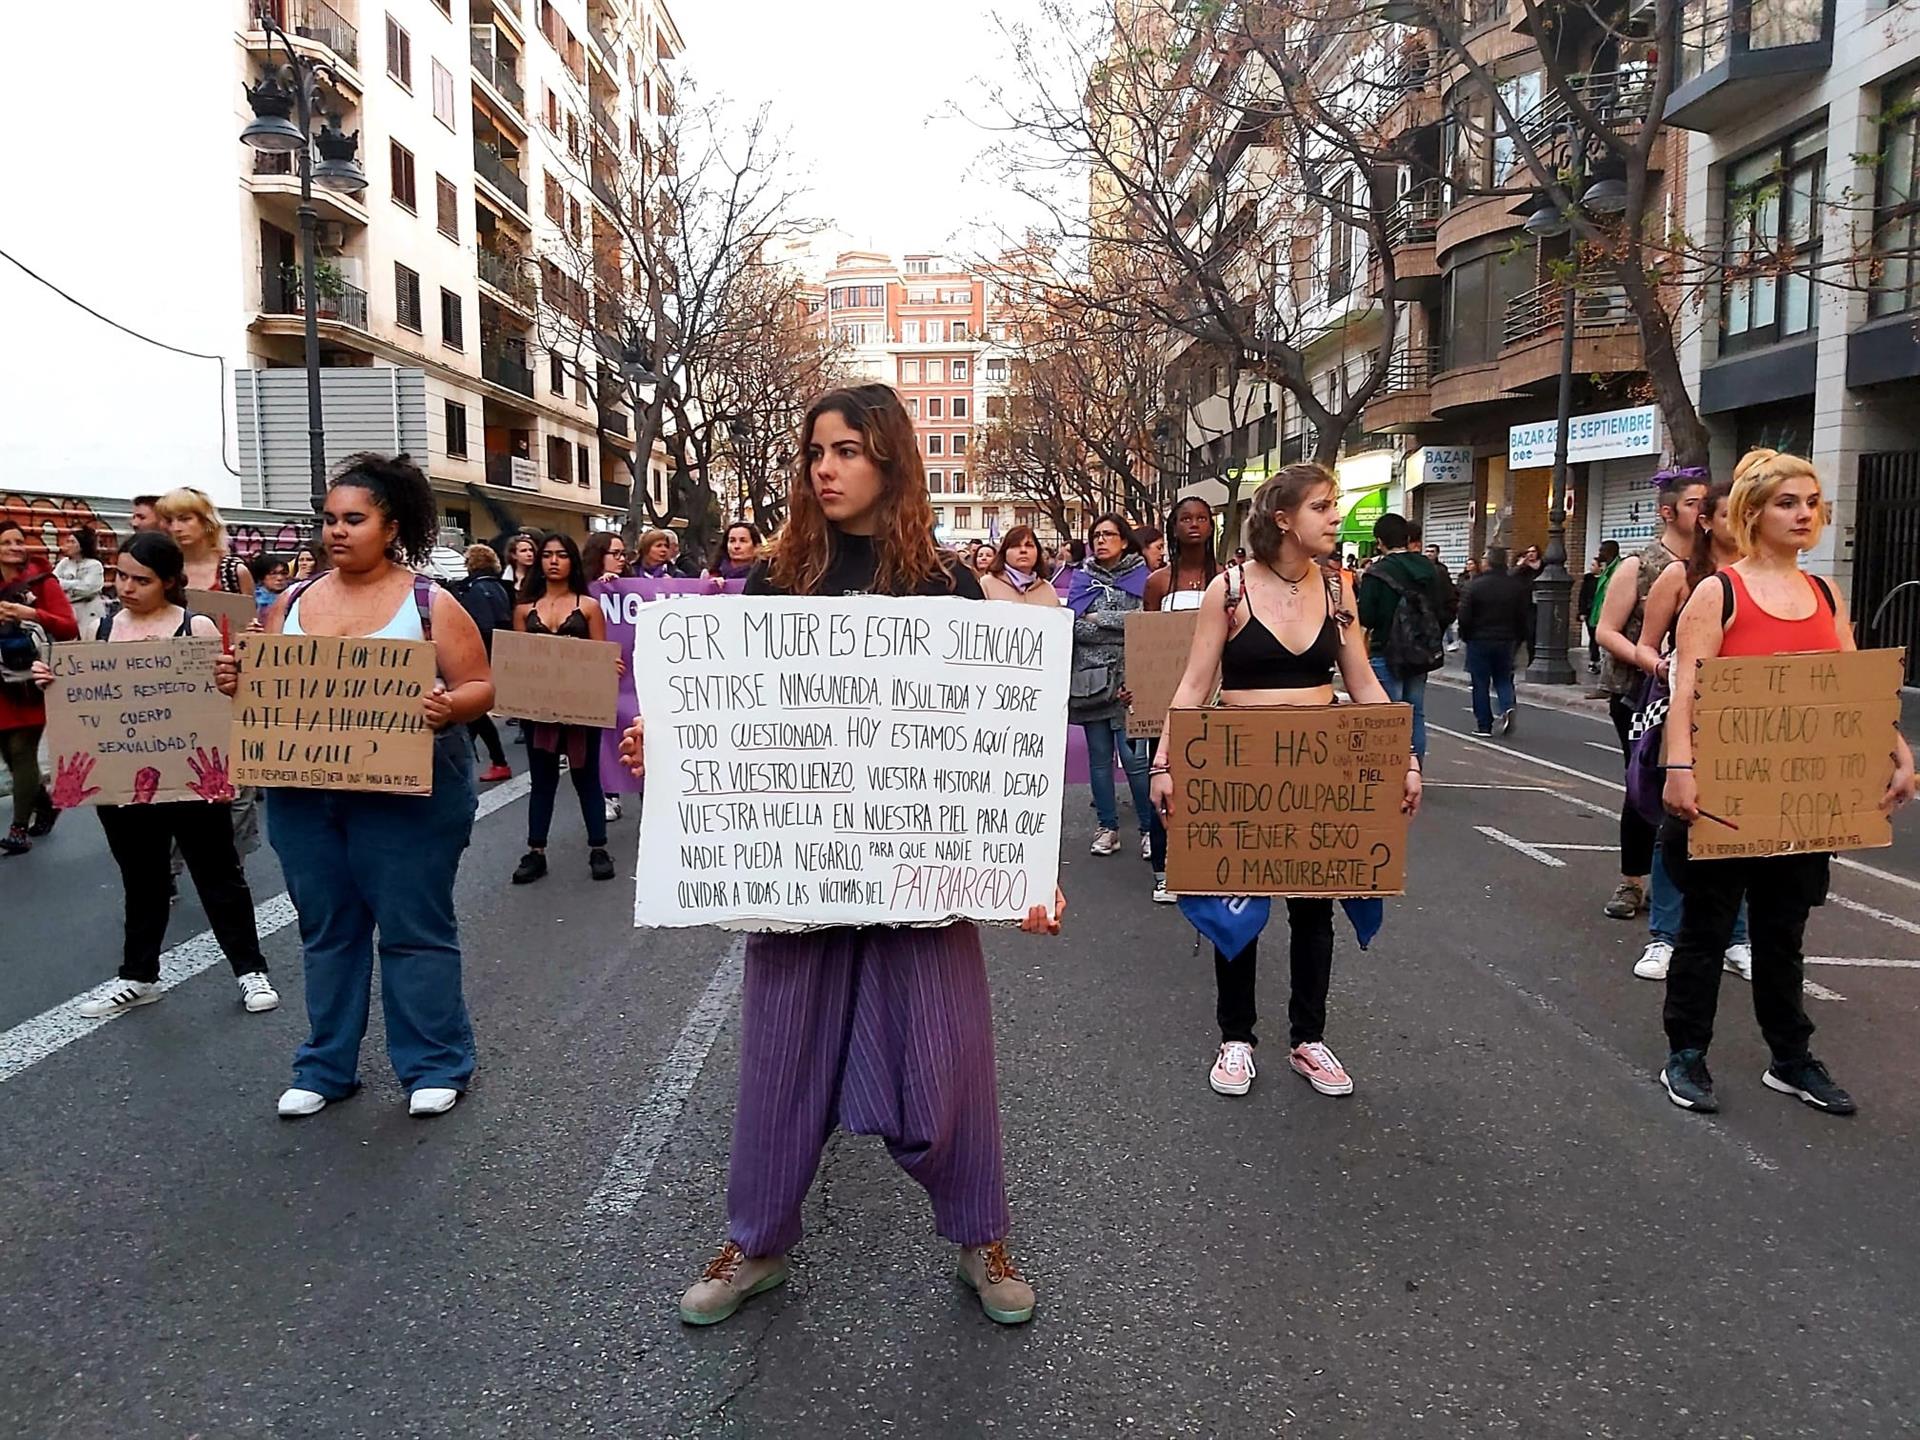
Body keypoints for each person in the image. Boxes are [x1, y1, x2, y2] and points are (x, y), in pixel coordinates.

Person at [622, 382, 1062, 1329]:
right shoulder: (772, 583)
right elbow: (736, 726)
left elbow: (994, 744)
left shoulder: (948, 585)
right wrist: (673, 748)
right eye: (816, 451)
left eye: (849, 450)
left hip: (919, 883)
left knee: (948, 1064)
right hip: (796, 881)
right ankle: (758, 1240)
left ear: (891, 461)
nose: (825, 467)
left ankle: (980, 1233)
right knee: (780, 1063)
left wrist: (1027, 871)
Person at [217, 453, 494, 1120]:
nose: (336, 531)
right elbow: (267, 689)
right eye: (329, 520)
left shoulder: (431, 602)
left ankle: (434, 1063)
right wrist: (237, 683)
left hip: (410, 798)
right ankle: (325, 1066)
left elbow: (480, 687)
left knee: (413, 927)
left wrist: (447, 708)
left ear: (390, 526)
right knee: (328, 930)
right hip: (305, 798)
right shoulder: (290, 601)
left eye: (353, 519)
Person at [1150, 463, 1421, 1100]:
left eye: (1335, 506)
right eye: (1323, 507)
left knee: (1313, 908)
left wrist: (1404, 757)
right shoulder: (1230, 590)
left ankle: (1309, 1037)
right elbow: (1194, 684)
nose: (1335, 517)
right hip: (1241, 771)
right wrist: (1166, 763)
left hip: (1321, 770)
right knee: (1236, 904)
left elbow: (1364, 684)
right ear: (1283, 521)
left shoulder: (1338, 591)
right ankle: (1235, 1038)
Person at [1659, 449, 1915, 1116]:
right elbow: (1686, 690)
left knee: (1784, 931)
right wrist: (1679, 769)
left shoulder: (1826, 594)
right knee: (1707, 931)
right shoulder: (1719, 592)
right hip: (1725, 793)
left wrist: (1897, 750)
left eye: (1811, 503)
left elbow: (1854, 682)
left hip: (1798, 800)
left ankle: (1791, 1058)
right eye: (1787, 502)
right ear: (1752, 512)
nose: (1804, 514)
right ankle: (1686, 1055)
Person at [33, 532, 278, 1017]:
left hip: (191, 779)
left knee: (218, 875)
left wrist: (232, 679)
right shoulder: (102, 631)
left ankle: (251, 971)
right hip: (123, 783)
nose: (126, 587)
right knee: (141, 879)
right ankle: (138, 975)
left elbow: (227, 696)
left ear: (169, 581)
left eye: (140, 579)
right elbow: (85, 698)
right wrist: (54, 682)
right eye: (121, 575)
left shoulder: (197, 627)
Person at [1629, 481, 1751, 983]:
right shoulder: (1680, 576)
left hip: (1744, 722)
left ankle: (1738, 937)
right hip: (1684, 712)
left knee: (1739, 830)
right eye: (1727, 515)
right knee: (1675, 828)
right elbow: (1644, 644)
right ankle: (1664, 936)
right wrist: (1665, 670)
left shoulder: (1764, 581)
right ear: (1707, 522)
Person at [1596, 469, 1710, 921]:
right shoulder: (1639, 566)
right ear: (1668, 512)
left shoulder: (1717, 567)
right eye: (1692, 504)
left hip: (1699, 696)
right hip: (1639, 695)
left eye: (1707, 504)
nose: (1702, 512)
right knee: (1644, 783)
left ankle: (1691, 883)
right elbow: (1606, 630)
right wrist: (1657, 666)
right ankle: (1632, 881)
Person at [510, 532, 616, 885]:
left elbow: (602, 652)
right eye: (547, 555)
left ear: (572, 561)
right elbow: (518, 661)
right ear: (538, 562)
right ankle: (535, 850)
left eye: (561, 555)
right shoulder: (524, 610)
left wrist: (608, 665)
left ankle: (598, 848)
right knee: (543, 780)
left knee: (586, 776)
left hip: (582, 707)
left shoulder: (588, 607)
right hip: (539, 709)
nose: (553, 561)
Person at [1068, 513, 1160, 890]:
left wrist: (1101, 618)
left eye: (1109, 534)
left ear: (1125, 540)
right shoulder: (1081, 577)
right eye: (1096, 535)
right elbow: (1074, 624)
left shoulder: (1143, 578)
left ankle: (1147, 828)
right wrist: (1116, 625)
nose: (1101, 540)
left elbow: (1143, 623)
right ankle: (1107, 827)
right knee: (1099, 761)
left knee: (1136, 761)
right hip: (1092, 683)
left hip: (1131, 683)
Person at [1, 519, 79, 853]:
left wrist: (29, 614)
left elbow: (67, 627)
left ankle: (18, 829)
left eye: (19, 541)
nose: (15, 547)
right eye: (6, 542)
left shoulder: (43, 583)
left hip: (31, 681)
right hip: (0, 683)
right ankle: (45, 804)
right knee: (9, 754)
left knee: (22, 751)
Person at [1356, 512, 1445, 761]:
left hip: (1386, 649)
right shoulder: (1429, 568)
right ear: (1407, 538)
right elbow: (1444, 605)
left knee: (1388, 717)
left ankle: (1392, 774)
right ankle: (1415, 769)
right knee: (1415, 713)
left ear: (1379, 541)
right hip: (1419, 651)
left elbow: (1366, 618)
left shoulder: (1377, 573)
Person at [448, 543, 516, 783]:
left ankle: (492, 761)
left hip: (480, 656)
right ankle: (495, 761)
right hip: (500, 653)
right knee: (474, 716)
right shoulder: (500, 587)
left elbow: (480, 625)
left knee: (472, 716)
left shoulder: (473, 590)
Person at [1456, 547, 1530, 736]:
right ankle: (1507, 706)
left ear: (1487, 562)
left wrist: (1465, 634)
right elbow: (1523, 615)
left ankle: (1484, 725)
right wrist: (1519, 637)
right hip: (1506, 639)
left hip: (1479, 639)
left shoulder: (1474, 585)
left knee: (1480, 682)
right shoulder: (1515, 586)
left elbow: (1464, 615)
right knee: (1503, 678)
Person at [157, 488, 253, 599]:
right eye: (169, 521)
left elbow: (248, 615)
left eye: (185, 519)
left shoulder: (233, 572)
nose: (176, 528)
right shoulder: (162, 570)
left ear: (206, 521)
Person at [1143, 496, 1218, 613]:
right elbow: (1148, 627)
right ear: (1174, 529)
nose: (1194, 524)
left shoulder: (1225, 577)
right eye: (1186, 519)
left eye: (1202, 518)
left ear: (1211, 528)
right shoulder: (1157, 581)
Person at [979, 524, 1064, 607]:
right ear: (1004, 552)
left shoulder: (1048, 589)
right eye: (1015, 546)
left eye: (1029, 545)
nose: (1023, 550)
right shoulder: (986, 584)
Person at [54, 527, 108, 642]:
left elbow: (88, 588)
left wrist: (65, 586)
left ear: (81, 546)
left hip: (89, 613)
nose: (67, 545)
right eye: (67, 541)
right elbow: (53, 583)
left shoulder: (94, 565)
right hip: (69, 612)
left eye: (72, 542)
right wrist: (75, 585)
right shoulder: (64, 563)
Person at [1579, 541, 1619, 674]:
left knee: (1607, 648)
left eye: (1602, 551)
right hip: (1597, 613)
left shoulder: (1617, 569)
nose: (1599, 553)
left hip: (1609, 614)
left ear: (1610, 552)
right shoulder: (1606, 571)